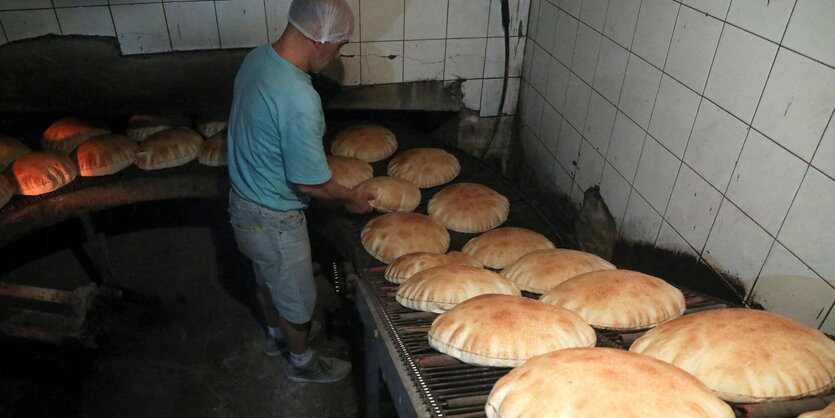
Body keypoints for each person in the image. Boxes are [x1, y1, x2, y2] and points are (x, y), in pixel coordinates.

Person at [226, 0, 373, 384]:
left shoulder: (257, 59)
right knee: (298, 299)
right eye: (341, 44)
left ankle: (276, 338)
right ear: (320, 39)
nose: (340, 52)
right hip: (275, 217)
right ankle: (302, 361)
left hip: (244, 202)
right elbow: (308, 181)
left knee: (266, 279)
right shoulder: (299, 96)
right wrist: (349, 196)